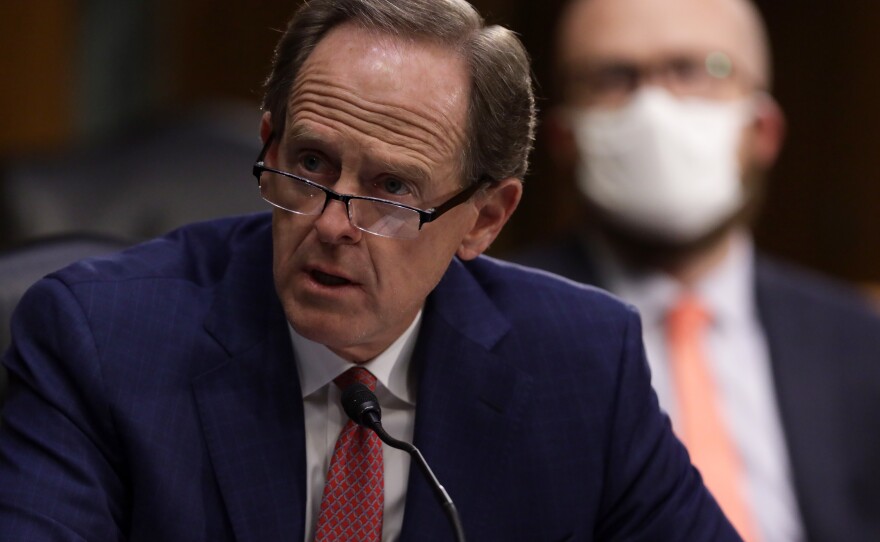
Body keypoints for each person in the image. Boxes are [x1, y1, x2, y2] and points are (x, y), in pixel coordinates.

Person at [0, 0, 740, 540]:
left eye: (392, 190)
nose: (330, 225)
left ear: (485, 217)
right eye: (311, 165)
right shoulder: (101, 339)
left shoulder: (580, 364)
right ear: (270, 143)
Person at [512, 0, 880, 540]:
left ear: (764, 131)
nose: (654, 107)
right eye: (614, 77)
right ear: (565, 138)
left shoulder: (857, 341)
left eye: (694, 70)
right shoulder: (493, 328)